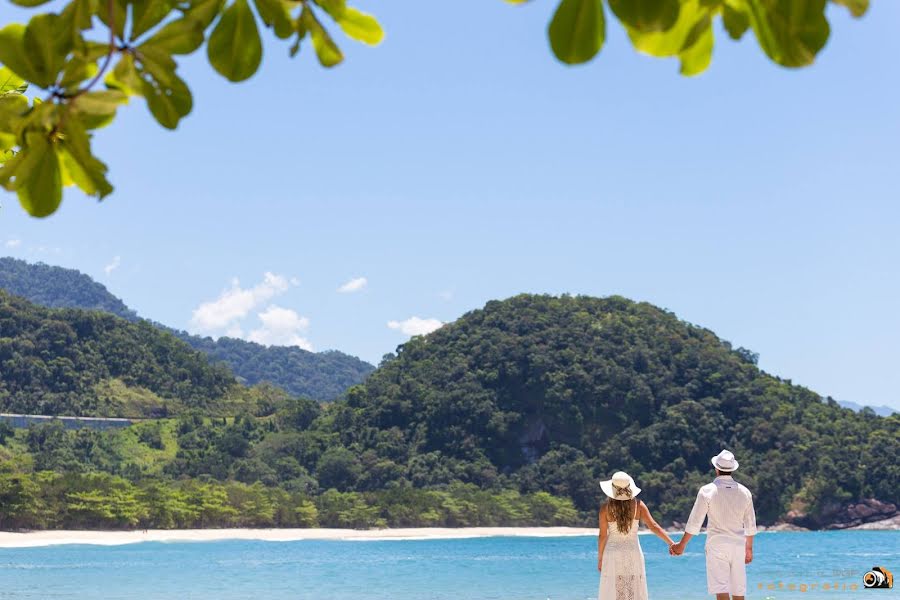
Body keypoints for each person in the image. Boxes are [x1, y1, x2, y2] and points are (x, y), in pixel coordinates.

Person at [670, 450, 757, 600]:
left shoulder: (707, 491)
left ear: (716, 469)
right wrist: (748, 549)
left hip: (717, 545)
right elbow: (750, 524)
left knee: (721, 591)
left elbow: (695, 521)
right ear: (732, 469)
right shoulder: (745, 492)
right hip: (738, 546)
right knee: (739, 591)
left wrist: (682, 544)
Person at [598, 471, 676, 600]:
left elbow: (602, 536)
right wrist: (671, 543)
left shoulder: (605, 509)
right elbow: (654, 526)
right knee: (632, 586)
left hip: (612, 553)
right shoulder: (638, 505)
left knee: (616, 587)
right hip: (632, 551)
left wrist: (600, 558)